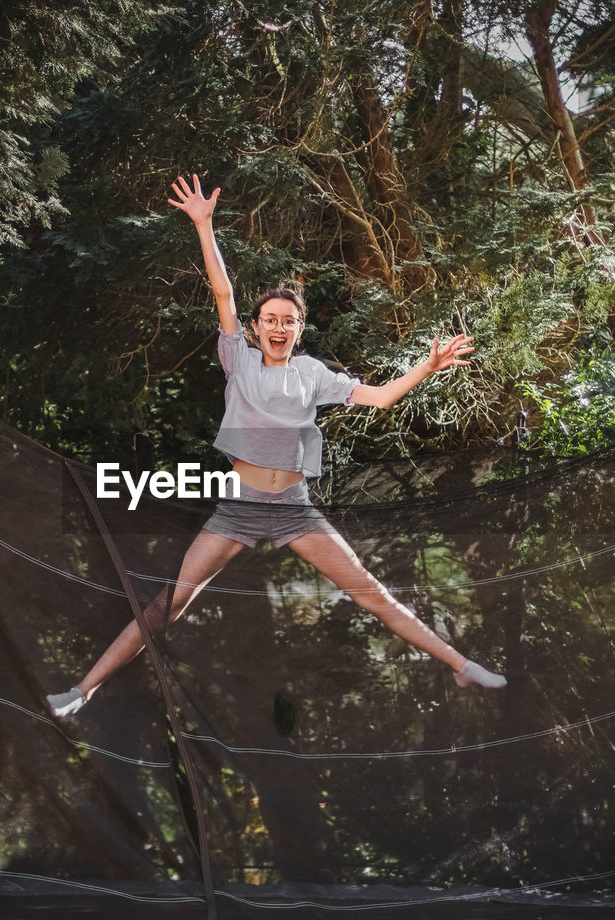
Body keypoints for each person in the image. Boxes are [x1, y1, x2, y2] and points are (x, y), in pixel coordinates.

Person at [47, 175, 506, 718]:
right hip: (236, 507)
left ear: (299, 328)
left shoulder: (313, 374)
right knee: (167, 604)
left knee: (371, 593)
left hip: (294, 510)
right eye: (269, 320)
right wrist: (204, 224)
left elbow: (381, 399)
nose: (278, 327)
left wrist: (427, 366)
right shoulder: (236, 359)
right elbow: (222, 292)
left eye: (288, 321)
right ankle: (84, 689)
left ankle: (460, 665)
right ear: (256, 328)